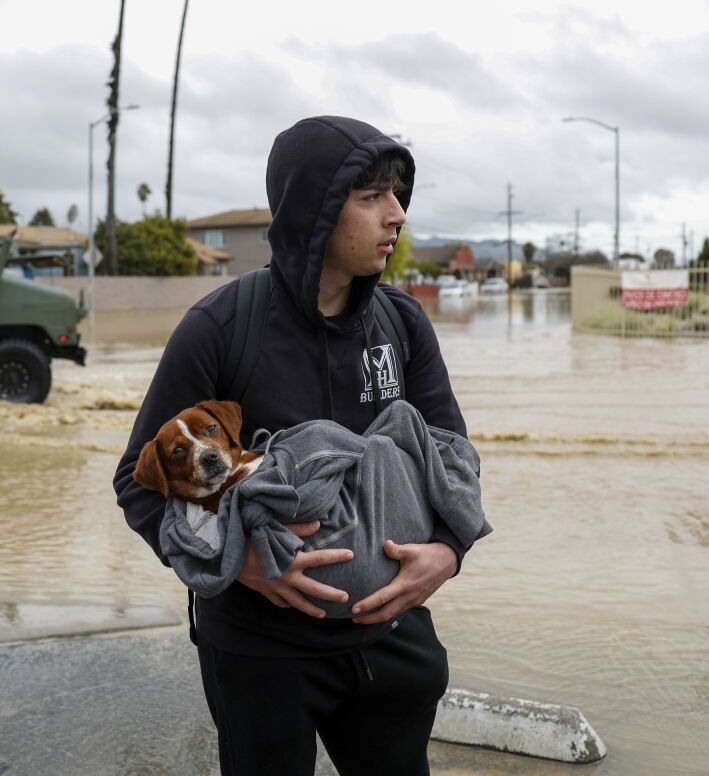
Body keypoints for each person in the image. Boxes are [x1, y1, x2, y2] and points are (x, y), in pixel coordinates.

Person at [113, 116, 484, 775]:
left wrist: (449, 554)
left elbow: (452, 457)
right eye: (371, 198)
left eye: (398, 195)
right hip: (262, 653)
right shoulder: (222, 328)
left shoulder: (402, 323)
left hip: (391, 639)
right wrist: (242, 563)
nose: (396, 214)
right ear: (313, 211)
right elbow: (139, 481)